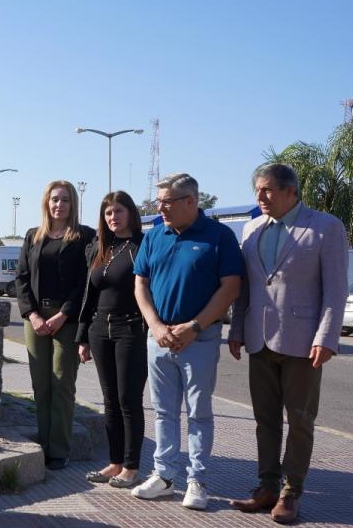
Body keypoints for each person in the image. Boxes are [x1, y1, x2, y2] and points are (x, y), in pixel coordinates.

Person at [228, 163, 348, 524]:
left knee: (299, 420)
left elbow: (336, 290)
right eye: (257, 190)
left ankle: (291, 493)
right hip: (259, 340)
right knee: (264, 420)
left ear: (290, 191)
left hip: (303, 342)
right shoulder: (251, 229)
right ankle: (266, 486)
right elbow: (246, 288)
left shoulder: (325, 227)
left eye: (267, 190)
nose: (260, 197)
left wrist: (326, 337)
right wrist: (237, 329)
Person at [130, 173, 243, 510]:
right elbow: (140, 284)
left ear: (191, 201)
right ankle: (164, 476)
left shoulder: (219, 236)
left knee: (199, 412)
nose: (159, 209)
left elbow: (231, 287)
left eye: (166, 202)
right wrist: (155, 326)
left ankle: (197, 480)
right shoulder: (155, 236)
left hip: (201, 339)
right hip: (159, 339)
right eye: (159, 202)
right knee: (163, 412)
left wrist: (194, 327)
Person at [15, 180, 96, 470]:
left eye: (65, 200)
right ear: (46, 203)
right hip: (35, 319)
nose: (59, 205)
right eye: (54, 199)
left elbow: (86, 282)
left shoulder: (85, 236)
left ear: (73, 204)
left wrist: (63, 314)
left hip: (67, 319)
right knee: (41, 385)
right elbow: (21, 278)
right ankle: (44, 442)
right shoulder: (32, 236)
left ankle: (59, 450)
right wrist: (33, 315)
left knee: (62, 383)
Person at [77, 191, 147, 488]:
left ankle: (131, 467)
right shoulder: (100, 247)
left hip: (130, 330)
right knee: (110, 401)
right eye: (108, 213)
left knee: (128, 400)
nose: (113, 217)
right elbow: (89, 295)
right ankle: (115, 462)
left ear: (130, 212)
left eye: (118, 211)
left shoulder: (142, 245)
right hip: (99, 331)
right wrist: (83, 337)